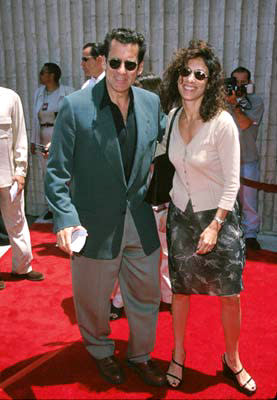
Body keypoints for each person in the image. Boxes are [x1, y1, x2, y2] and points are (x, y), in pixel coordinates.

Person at [45, 28, 166, 387]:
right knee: (94, 301)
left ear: (140, 66)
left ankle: (140, 355)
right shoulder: (75, 107)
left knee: (146, 296)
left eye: (130, 64)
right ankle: (100, 350)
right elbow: (56, 172)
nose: (121, 71)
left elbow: (163, 145)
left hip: (141, 221)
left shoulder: (150, 103)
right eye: (115, 62)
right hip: (95, 225)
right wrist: (66, 219)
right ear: (104, 61)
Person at [158, 40, 256, 396]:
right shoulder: (171, 117)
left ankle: (232, 360)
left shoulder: (222, 122)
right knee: (180, 293)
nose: (190, 79)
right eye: (186, 71)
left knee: (230, 295)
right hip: (181, 217)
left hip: (219, 218)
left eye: (200, 74)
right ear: (177, 75)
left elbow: (233, 181)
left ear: (210, 80)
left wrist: (215, 224)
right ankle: (178, 355)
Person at [110, 73, 171, 320]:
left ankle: (167, 296)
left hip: (161, 202)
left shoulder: (167, 125)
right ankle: (119, 300)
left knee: (165, 253)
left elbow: (167, 167)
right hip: (134, 202)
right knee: (130, 253)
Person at [0, 86, 44, 290]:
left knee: (17, 220)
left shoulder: (10, 97)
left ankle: (22, 267)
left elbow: (20, 138)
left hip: (8, 175)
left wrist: (21, 170)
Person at [30, 63, 75, 220]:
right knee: (46, 173)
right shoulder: (39, 93)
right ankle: (51, 207)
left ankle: (67, 206)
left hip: (60, 134)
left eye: (43, 72)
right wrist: (33, 141)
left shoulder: (67, 92)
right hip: (43, 133)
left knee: (64, 172)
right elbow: (35, 118)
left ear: (52, 75)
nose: (41, 75)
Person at [227, 67, 264, 251]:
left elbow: (244, 123)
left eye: (243, 82)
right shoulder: (222, 102)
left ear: (249, 84)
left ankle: (250, 235)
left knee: (249, 200)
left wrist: (235, 104)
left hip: (247, 158)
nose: (239, 86)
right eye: (236, 82)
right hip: (225, 160)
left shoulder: (255, 102)